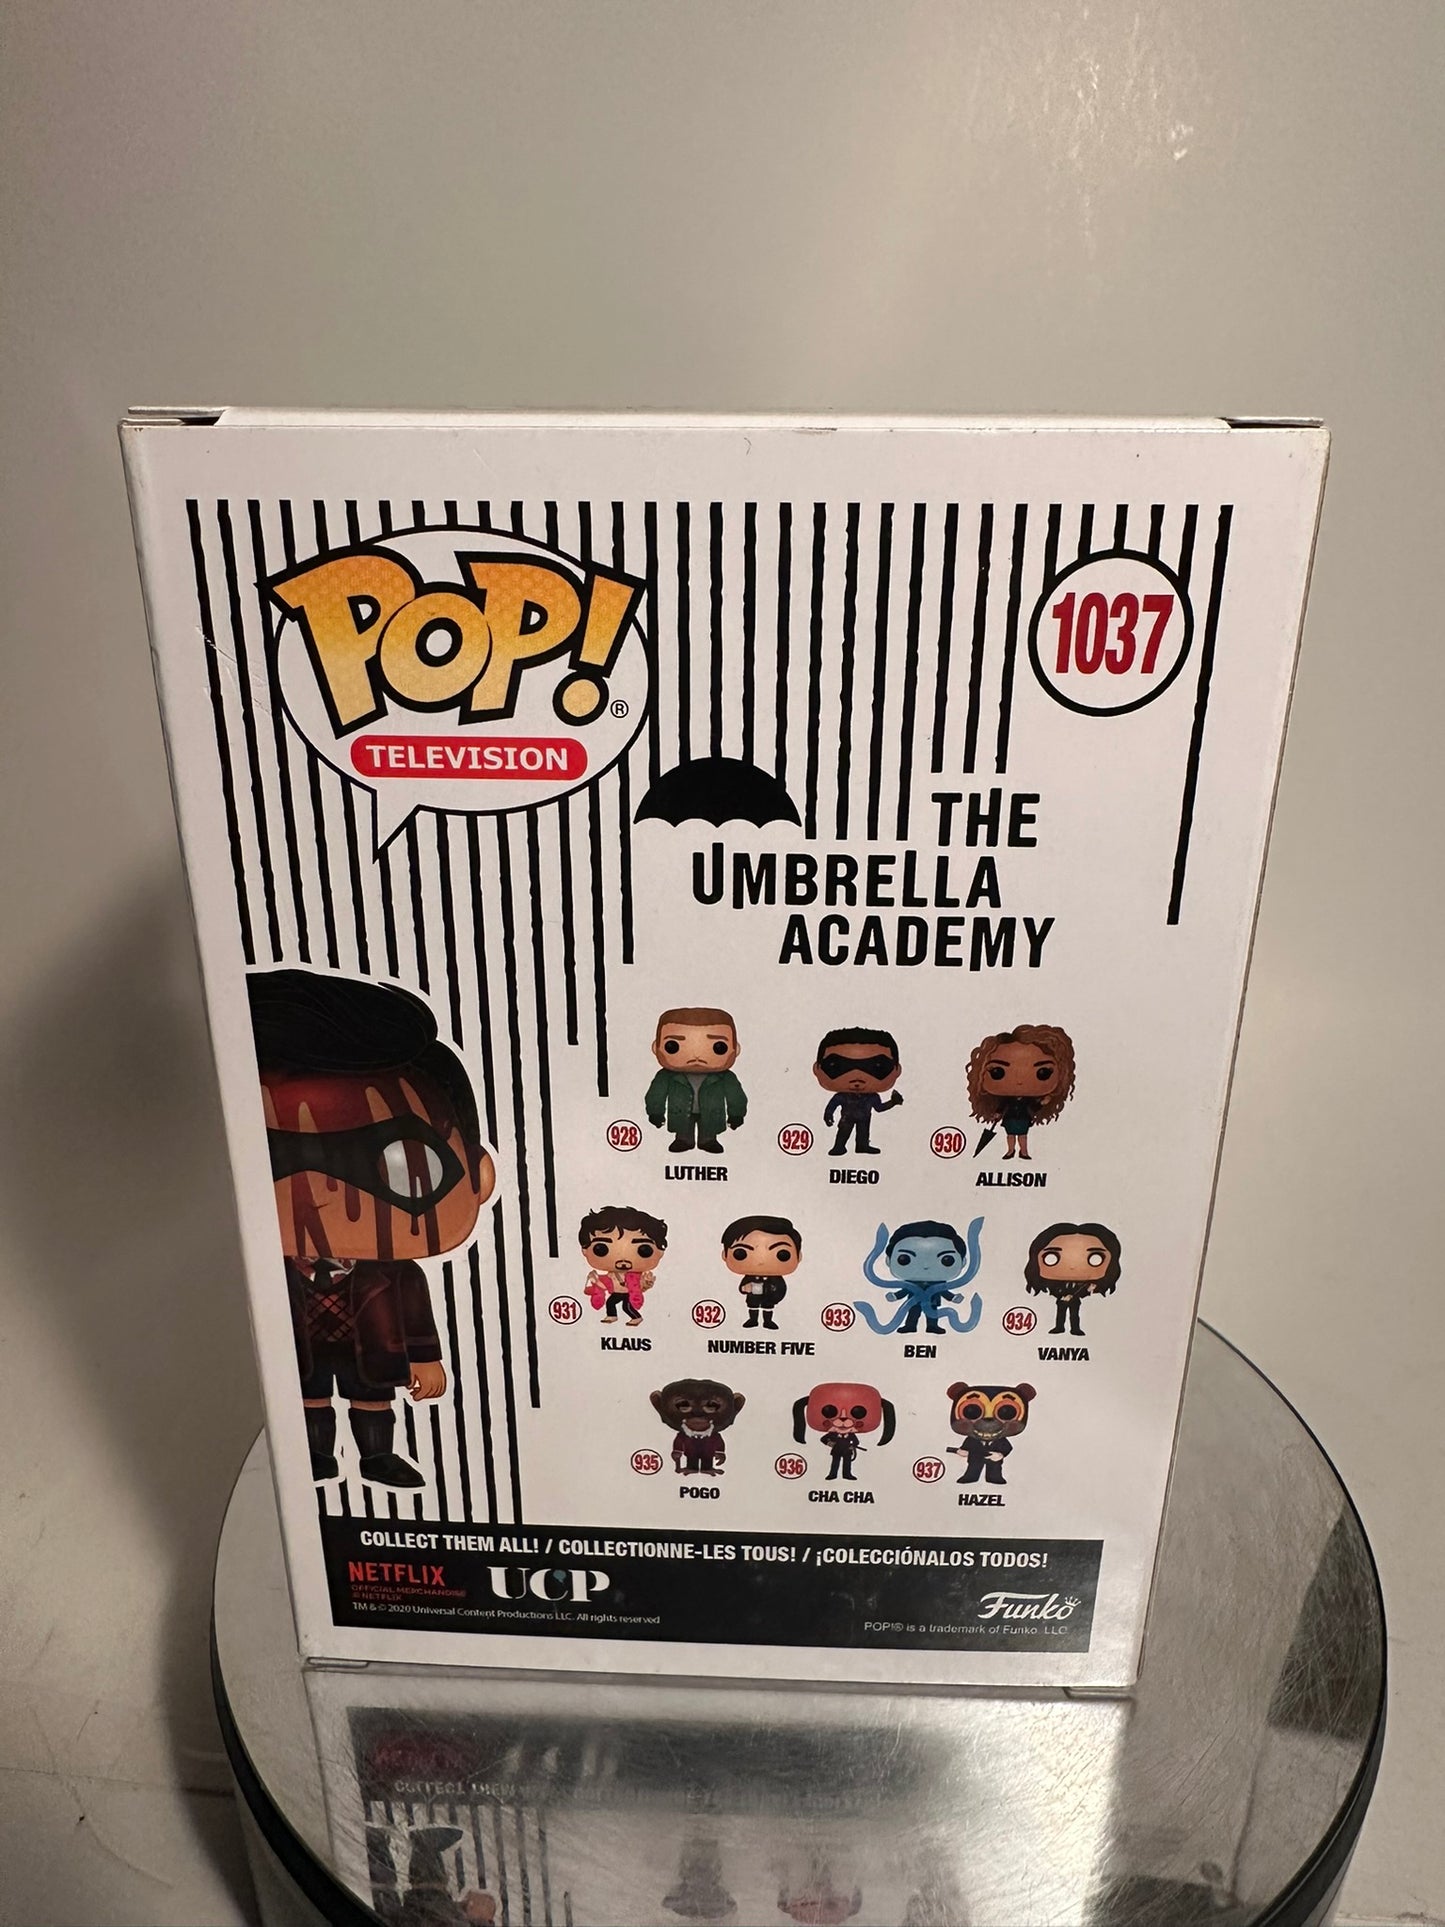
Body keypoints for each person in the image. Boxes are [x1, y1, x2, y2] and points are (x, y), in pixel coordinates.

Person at [248, 970, 494, 1488]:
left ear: (480, 1178)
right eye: (269, 1160)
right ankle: (316, 1455)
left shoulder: (395, 1272)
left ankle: (376, 1457)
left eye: (405, 1166)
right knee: (309, 1398)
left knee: (372, 1401)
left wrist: (426, 1359)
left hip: (374, 1353)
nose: (321, 1192)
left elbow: (415, 1313)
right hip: (301, 1351)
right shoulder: (267, 1269)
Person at [646, 1007, 747, 1153]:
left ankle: (708, 1140)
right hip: (679, 1111)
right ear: (656, 1048)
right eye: (673, 1046)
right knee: (683, 1128)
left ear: (735, 1049)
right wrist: (655, 1112)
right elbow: (656, 1094)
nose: (696, 1056)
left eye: (719, 1047)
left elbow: (736, 1096)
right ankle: (683, 1139)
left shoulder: (725, 1077)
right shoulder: (666, 1076)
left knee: (709, 1129)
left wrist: (736, 1114)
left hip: (712, 1112)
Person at [812, 1028, 903, 1155]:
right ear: (817, 1069)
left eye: (877, 1067)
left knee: (863, 1132)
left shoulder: (871, 1097)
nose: (857, 1076)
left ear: (897, 1070)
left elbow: (879, 1108)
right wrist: (828, 1115)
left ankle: (862, 1146)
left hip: (863, 1118)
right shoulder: (843, 1096)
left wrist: (893, 1102)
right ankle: (839, 1147)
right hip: (847, 1119)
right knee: (843, 1133)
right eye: (838, 1066)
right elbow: (832, 1106)